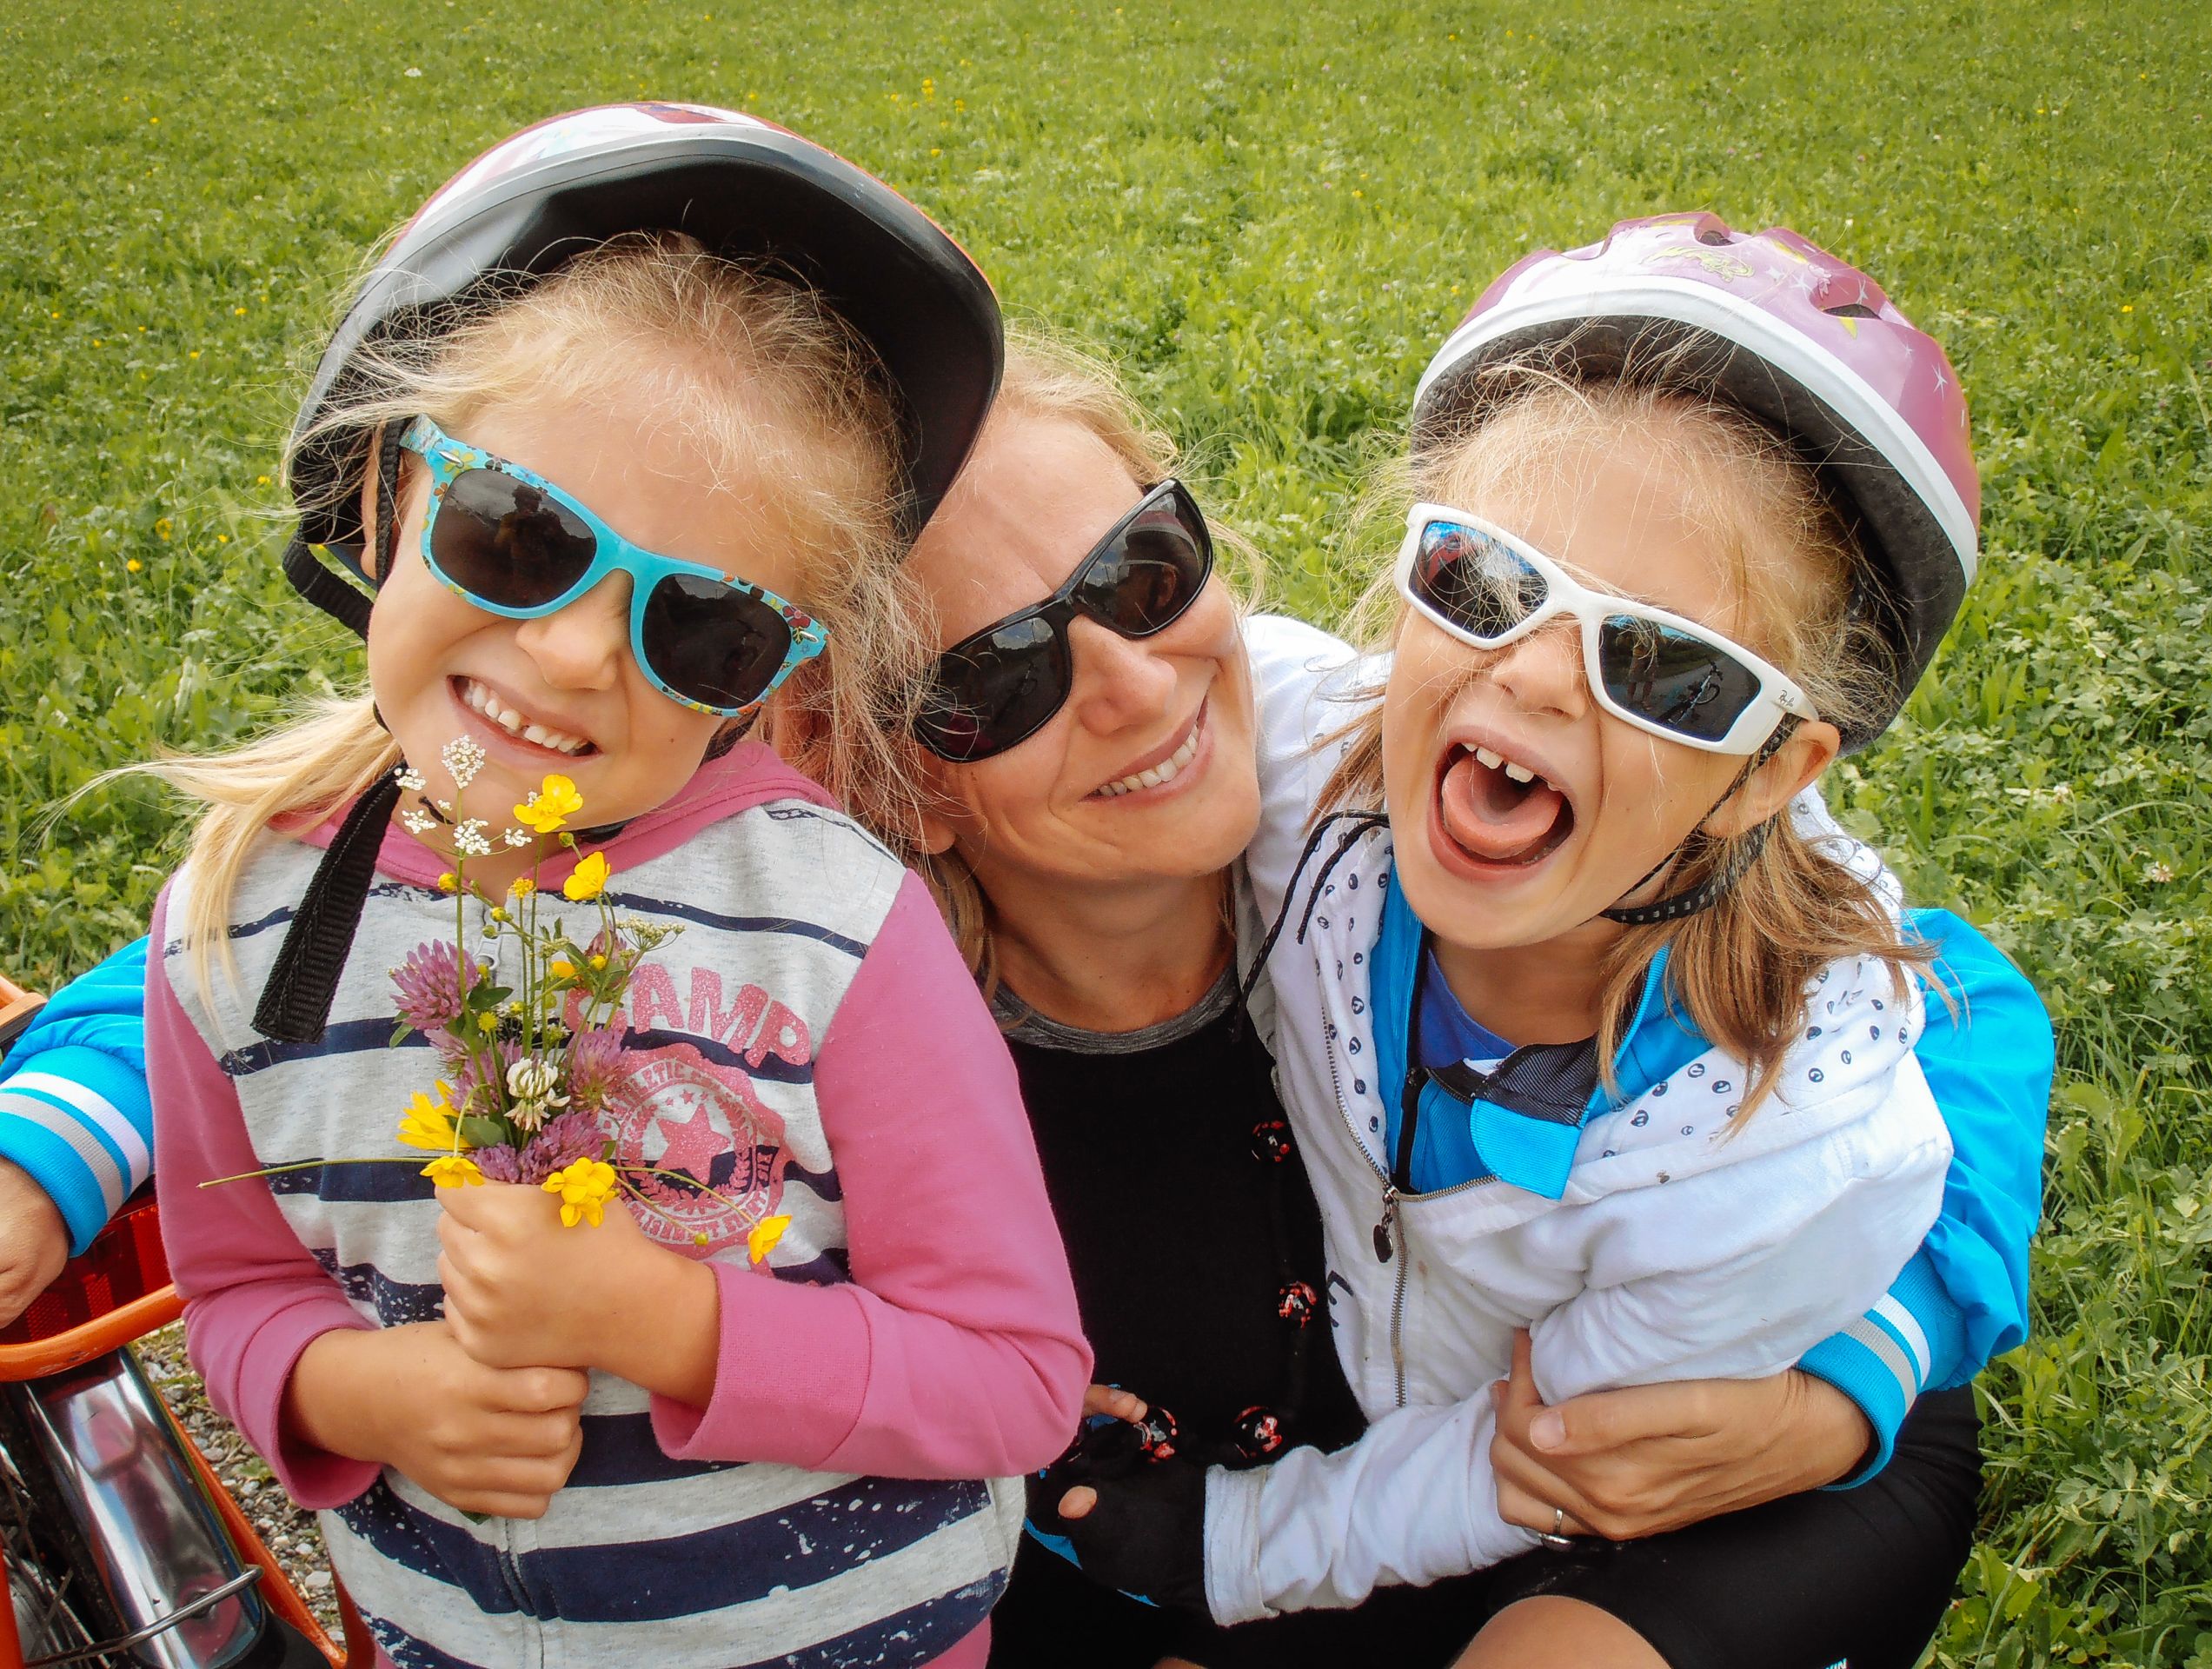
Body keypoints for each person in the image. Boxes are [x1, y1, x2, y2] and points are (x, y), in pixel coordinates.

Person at [0, 267, 2047, 1668]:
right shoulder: (839, 983)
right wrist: (57, 1126)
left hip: (1627, 1465)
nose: (1133, 683)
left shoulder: (1345, 770)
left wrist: (1866, 1370)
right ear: (856, 762)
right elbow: (361, 899)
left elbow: (1918, 992)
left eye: (1145, 570)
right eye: (991, 677)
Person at [132, 105, 1087, 1669]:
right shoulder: (235, 928)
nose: (575, 652)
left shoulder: (835, 928)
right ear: (383, 495)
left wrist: (666, 1325)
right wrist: (360, 1394)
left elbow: (1016, 1377)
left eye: (701, 627)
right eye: (517, 536)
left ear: (773, 678)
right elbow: (236, 1290)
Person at [1040, 214, 2053, 1669]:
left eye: (1667, 667)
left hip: (1678, 1482)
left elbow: (1530, 1455)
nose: (1531, 673)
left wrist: (1234, 1548)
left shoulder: (1779, 1155)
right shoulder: (1296, 767)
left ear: (1770, 775)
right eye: (1486, 580)